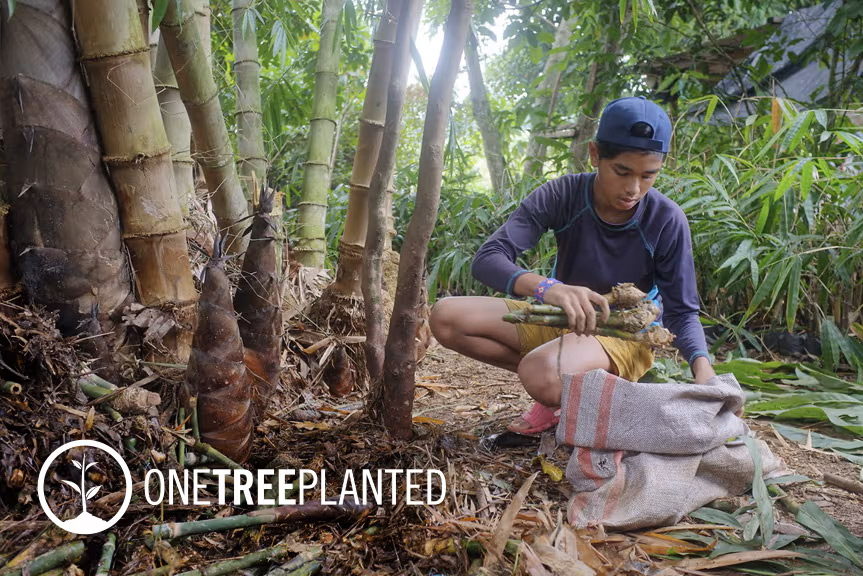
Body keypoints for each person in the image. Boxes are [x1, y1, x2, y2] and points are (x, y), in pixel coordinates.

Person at [429, 96, 716, 435]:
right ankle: (570, 389)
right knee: (445, 316)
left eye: (648, 176)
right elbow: (488, 258)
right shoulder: (563, 194)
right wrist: (547, 288)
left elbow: (683, 311)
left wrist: (705, 371)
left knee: (539, 372)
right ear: (595, 154)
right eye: (622, 172)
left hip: (624, 336)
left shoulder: (667, 219)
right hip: (561, 320)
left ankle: (574, 387)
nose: (633, 188)